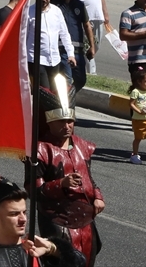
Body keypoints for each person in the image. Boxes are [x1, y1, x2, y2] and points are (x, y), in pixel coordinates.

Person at [34, 88, 104, 267]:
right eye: (61, 122)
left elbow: (89, 177)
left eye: (69, 121)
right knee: (63, 260)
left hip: (86, 218)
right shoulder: (41, 150)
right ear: (50, 122)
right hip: (58, 218)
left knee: (89, 256)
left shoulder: (83, 146)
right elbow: (33, 190)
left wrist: (97, 196)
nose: (66, 126)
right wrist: (61, 184)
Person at [0, 175, 73, 267]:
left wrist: (52, 248)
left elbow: (80, 262)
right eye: (14, 214)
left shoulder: (39, 250)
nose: (23, 219)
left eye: (24, 212)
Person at [53, 0, 93, 91]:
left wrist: (92, 46)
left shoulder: (79, 5)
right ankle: (66, 104)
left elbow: (86, 25)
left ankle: (69, 97)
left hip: (78, 51)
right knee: (67, 79)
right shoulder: (53, 5)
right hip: (62, 49)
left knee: (81, 79)